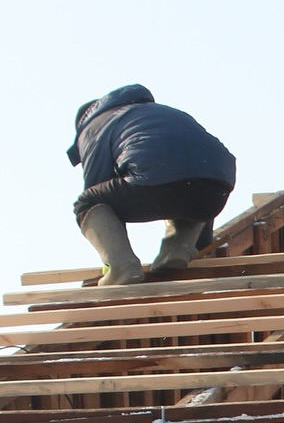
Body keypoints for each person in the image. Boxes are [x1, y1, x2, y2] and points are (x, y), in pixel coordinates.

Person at [67, 84, 236, 285]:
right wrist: (199, 246)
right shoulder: (160, 113)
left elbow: (98, 192)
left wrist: (112, 260)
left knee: (86, 203)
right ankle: (177, 250)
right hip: (217, 189)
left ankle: (122, 269)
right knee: (190, 180)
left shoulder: (93, 125)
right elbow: (199, 167)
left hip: (160, 181)